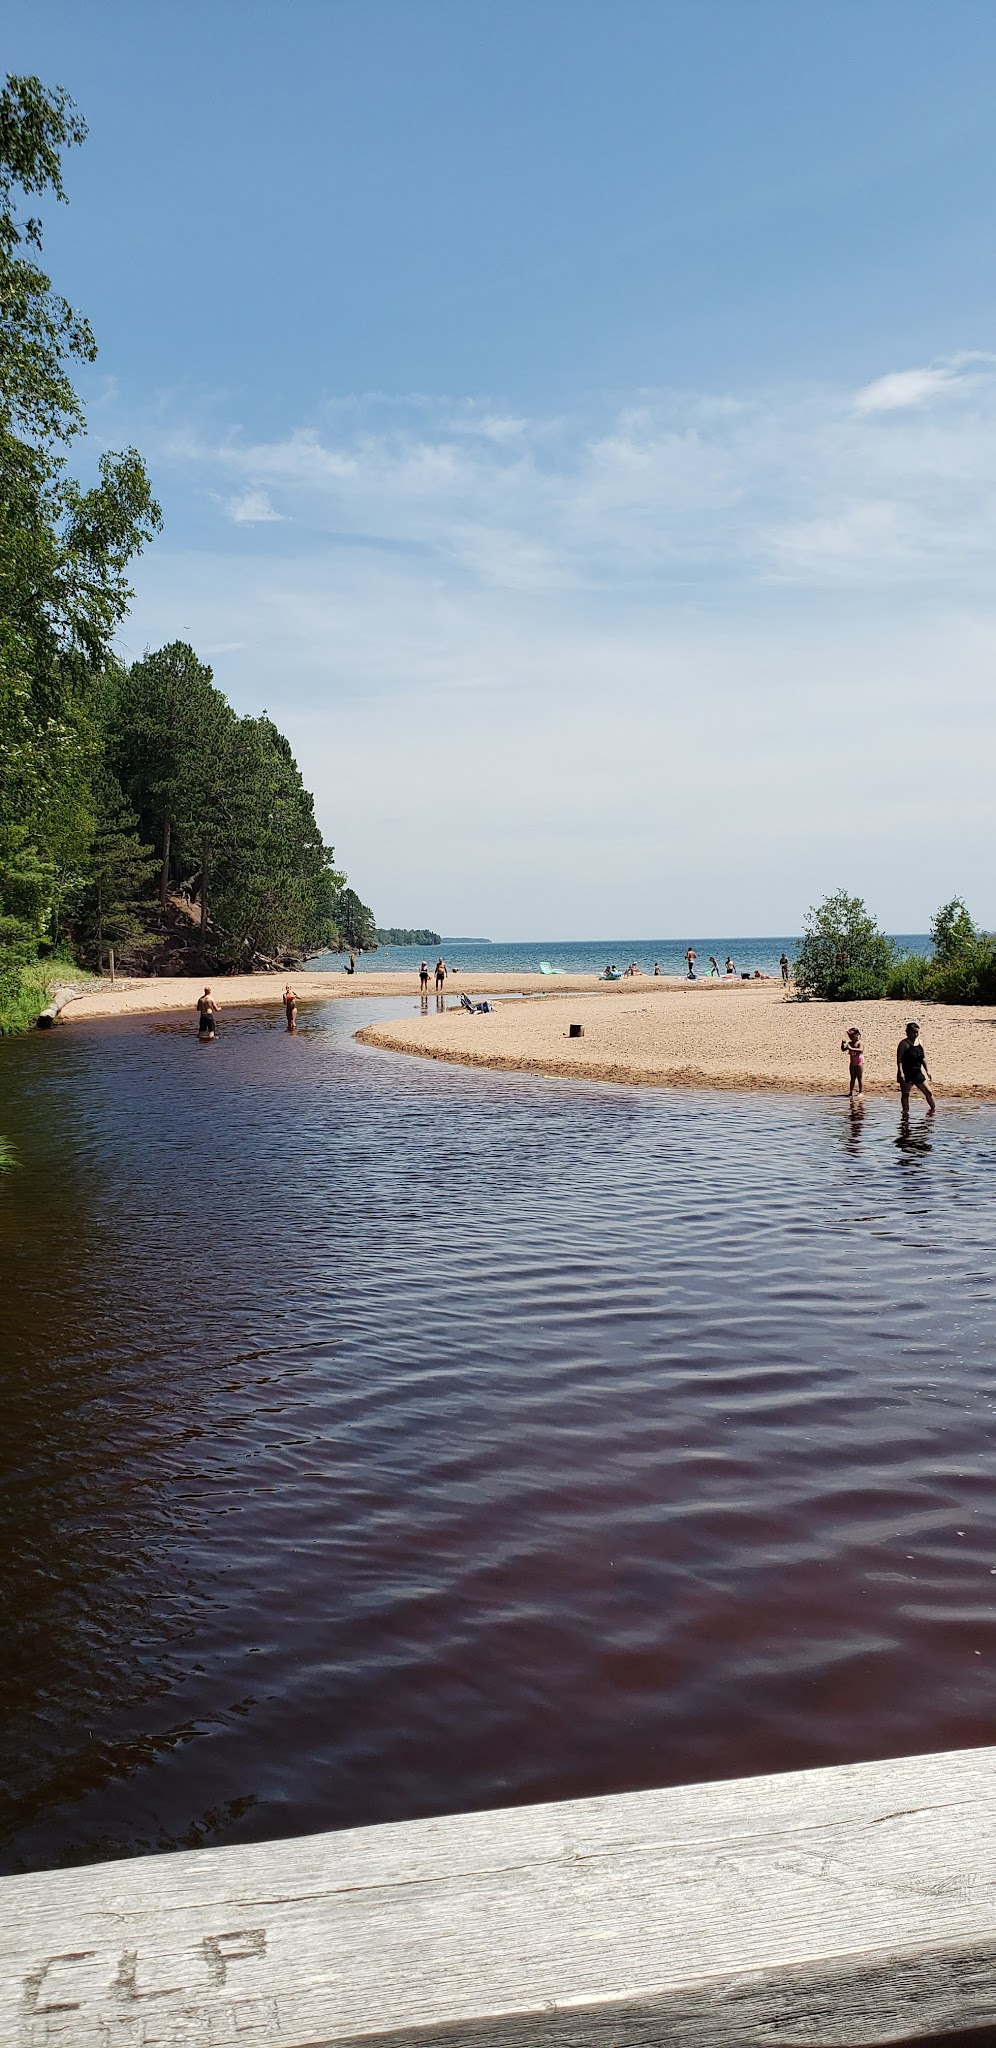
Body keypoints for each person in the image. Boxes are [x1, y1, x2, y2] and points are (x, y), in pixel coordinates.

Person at [897, 1021, 935, 1112]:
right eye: (913, 1032)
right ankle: (905, 1114)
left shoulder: (920, 1042)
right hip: (907, 1073)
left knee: (929, 1092)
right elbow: (899, 1060)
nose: (915, 1034)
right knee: (906, 1094)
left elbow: (923, 1058)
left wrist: (927, 1071)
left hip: (918, 1072)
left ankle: (933, 1111)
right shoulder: (903, 1044)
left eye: (917, 1032)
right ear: (907, 1032)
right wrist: (900, 1072)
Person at [841, 1025, 864, 1097]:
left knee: (859, 1078)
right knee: (852, 1077)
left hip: (859, 1062)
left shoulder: (860, 1042)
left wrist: (851, 1048)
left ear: (857, 1035)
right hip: (852, 1062)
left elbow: (861, 1049)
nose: (850, 1037)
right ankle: (851, 1091)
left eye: (852, 1036)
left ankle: (861, 1092)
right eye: (849, 1036)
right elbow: (843, 1049)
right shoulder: (850, 1043)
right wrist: (843, 1045)